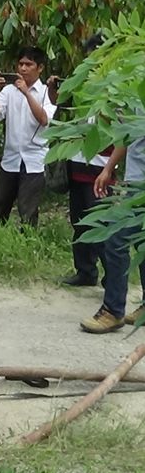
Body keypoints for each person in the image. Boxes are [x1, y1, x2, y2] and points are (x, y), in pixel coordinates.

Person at [49, 34, 111, 287]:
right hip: (77, 158)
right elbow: (58, 102)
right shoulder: (81, 79)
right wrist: (54, 88)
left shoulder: (117, 82)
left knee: (100, 221)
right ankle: (85, 271)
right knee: (79, 219)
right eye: (90, 53)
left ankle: (112, 273)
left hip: (102, 161)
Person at [80, 138, 145, 333]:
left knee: (116, 238)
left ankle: (113, 311)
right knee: (141, 242)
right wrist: (108, 168)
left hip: (140, 187)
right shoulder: (135, 106)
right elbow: (128, 135)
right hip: (136, 183)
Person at [0, 46, 57, 226]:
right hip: (10, 159)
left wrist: (26, 92)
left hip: (34, 160)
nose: (23, 69)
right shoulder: (9, 91)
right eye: (20, 64)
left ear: (40, 68)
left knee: (28, 212)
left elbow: (43, 119)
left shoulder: (46, 92)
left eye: (29, 64)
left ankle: (28, 245)